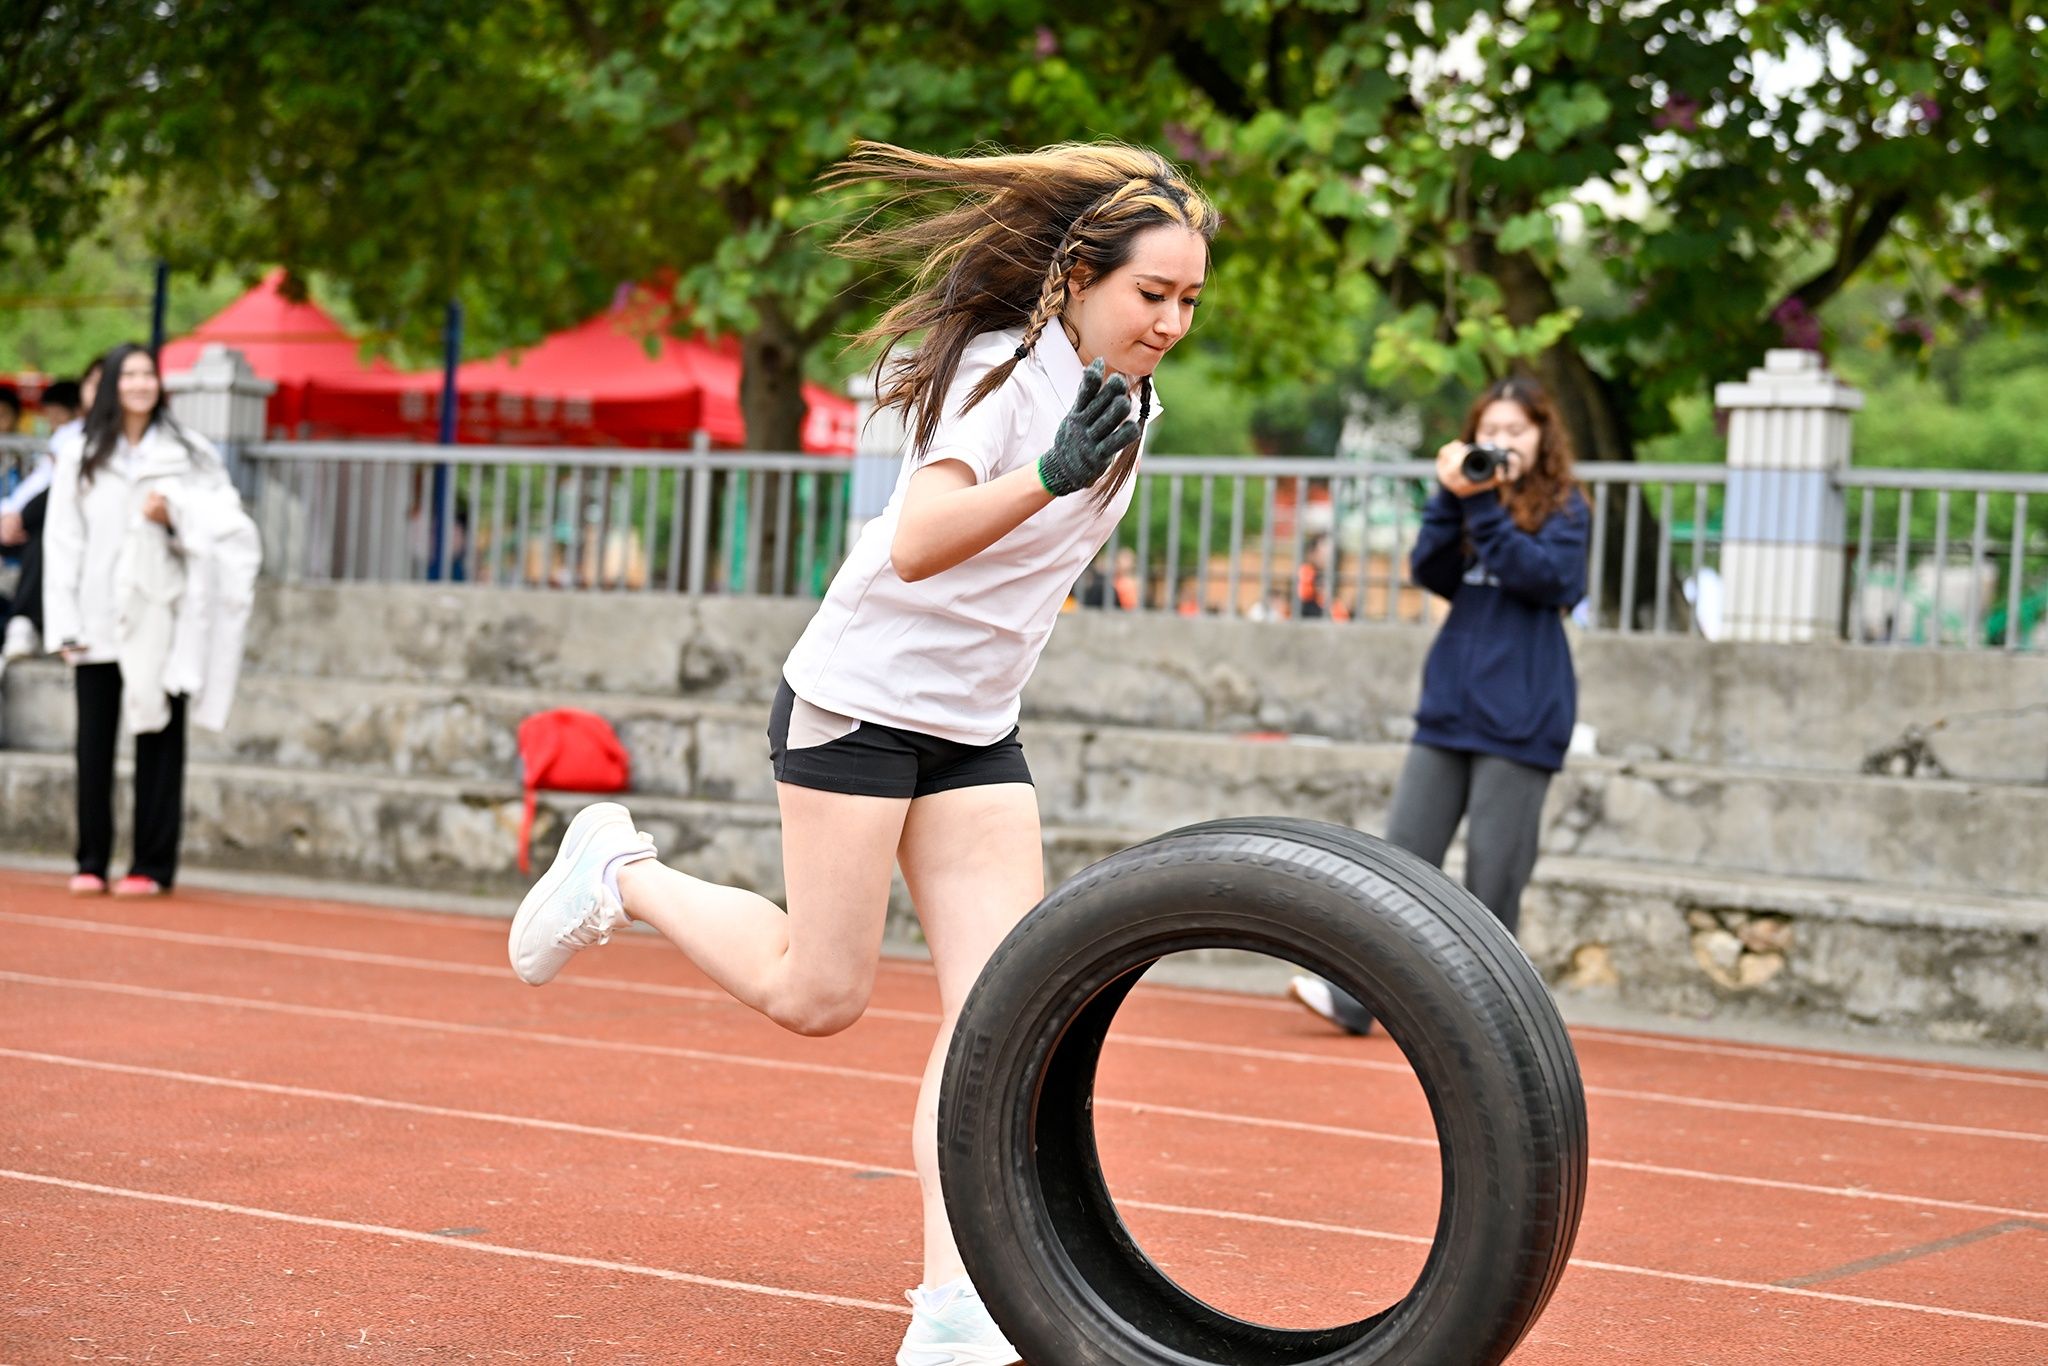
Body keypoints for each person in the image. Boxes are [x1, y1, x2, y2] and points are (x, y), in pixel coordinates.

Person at [507, 140, 1216, 1365]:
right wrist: (1050, 474)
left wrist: (1067, 476)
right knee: (818, 995)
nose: (1170, 322)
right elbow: (916, 543)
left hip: (974, 727)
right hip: (861, 705)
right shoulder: (998, 372)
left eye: (1190, 301)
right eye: (1151, 293)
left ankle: (952, 1304)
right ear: (1078, 278)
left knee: (1002, 1019)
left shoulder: (1130, 402)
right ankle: (619, 872)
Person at [1290, 376, 1589, 1036]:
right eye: (1490, 431)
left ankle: (1493, 1028)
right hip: (1450, 709)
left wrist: (1483, 507)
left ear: (1543, 438)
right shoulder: (1467, 499)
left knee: (1493, 882)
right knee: (1399, 865)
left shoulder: (1567, 508)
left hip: (1523, 720)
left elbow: (1548, 581)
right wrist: (1452, 497)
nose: (1502, 443)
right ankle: (1353, 999)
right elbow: (1431, 570)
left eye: (1516, 431)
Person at [43, 343, 259, 898]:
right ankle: (91, 859)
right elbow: (63, 540)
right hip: (96, 614)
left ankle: (152, 865)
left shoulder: (189, 451)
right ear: (111, 383)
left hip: (164, 613)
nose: (140, 384)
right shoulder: (80, 451)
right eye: (129, 375)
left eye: (148, 375)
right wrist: (63, 622)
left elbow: (226, 523)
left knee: (160, 739)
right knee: (94, 742)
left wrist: (174, 518)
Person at [3, 368, 96, 666]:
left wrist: (15, 516)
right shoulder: (66, 437)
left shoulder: (77, 435)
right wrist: (11, 515)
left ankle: (24, 623)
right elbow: (39, 483)